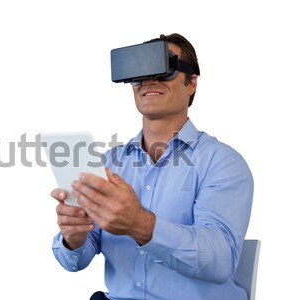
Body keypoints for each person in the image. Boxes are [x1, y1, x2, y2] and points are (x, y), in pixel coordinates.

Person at [50, 33, 253, 300]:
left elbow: (220, 261)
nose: (149, 80)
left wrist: (141, 224)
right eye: (139, 72)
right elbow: (75, 259)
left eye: (164, 69)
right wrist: (73, 238)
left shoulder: (222, 162)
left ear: (191, 83)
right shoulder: (109, 163)